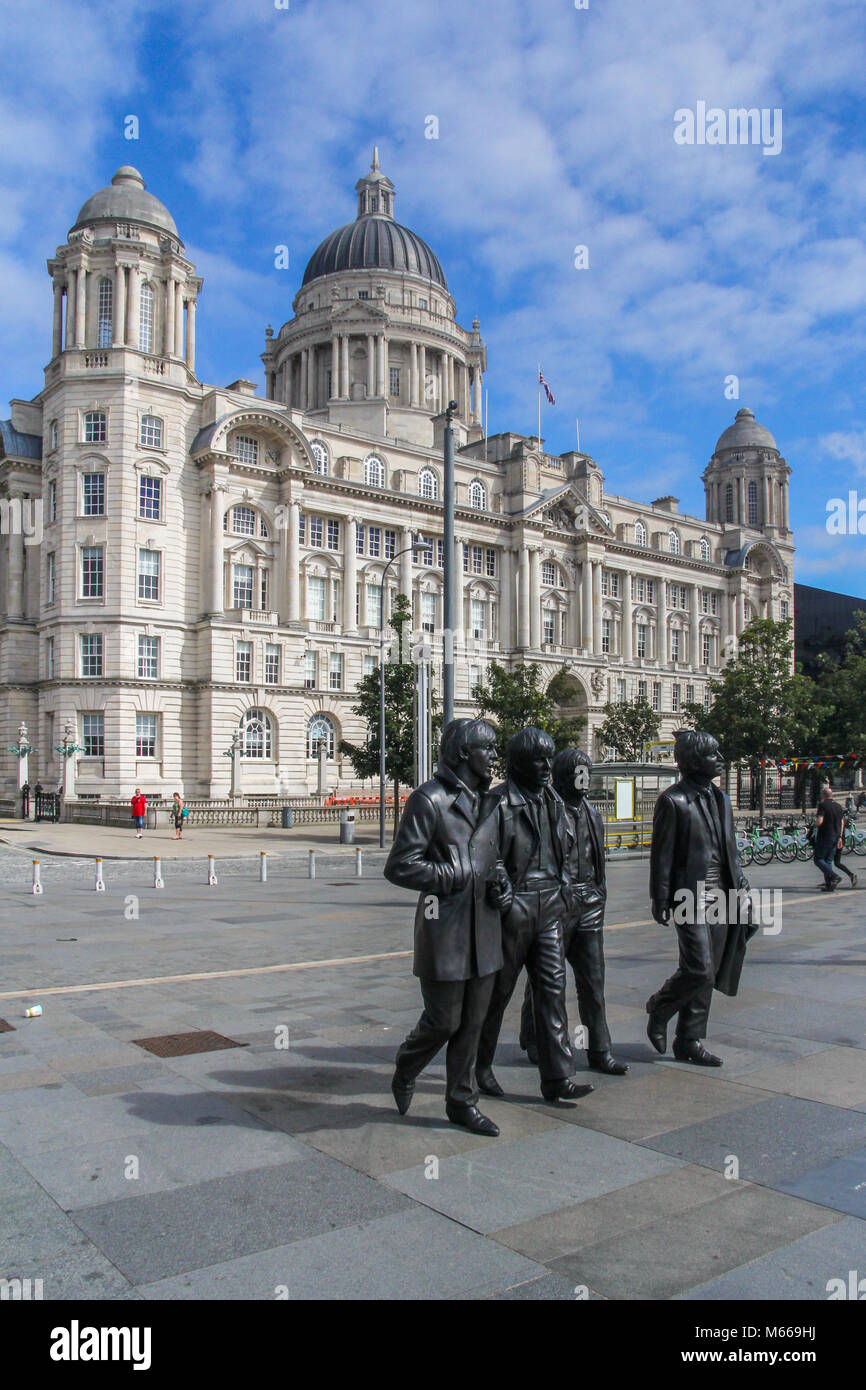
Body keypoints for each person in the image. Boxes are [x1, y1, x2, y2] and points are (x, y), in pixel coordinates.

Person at [384, 718, 512, 1137]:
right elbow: (400, 866)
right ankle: (407, 1064)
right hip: (445, 927)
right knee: (443, 1020)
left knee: (473, 1022)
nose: (494, 756)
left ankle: (462, 1102)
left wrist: (502, 882)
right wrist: (449, 874)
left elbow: (495, 861)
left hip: (486, 927)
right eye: (487, 748)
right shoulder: (429, 800)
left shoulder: (490, 803)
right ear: (462, 753)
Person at [476, 727, 593, 1104]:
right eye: (538, 760)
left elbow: (566, 852)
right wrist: (504, 893)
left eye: (549, 758)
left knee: (553, 991)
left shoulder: (554, 802)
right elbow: (483, 854)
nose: (546, 767)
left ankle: (558, 1077)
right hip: (514, 910)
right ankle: (478, 1067)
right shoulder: (497, 803)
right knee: (497, 995)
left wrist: (564, 890)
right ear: (518, 764)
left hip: (550, 909)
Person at [645, 730, 753, 1067]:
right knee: (699, 968)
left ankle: (689, 1039)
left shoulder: (721, 799)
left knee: (713, 968)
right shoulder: (673, 801)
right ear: (693, 761)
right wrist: (660, 897)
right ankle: (660, 1007)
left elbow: (728, 847)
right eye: (712, 754)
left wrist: (740, 882)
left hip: (723, 890)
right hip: (690, 892)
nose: (719, 759)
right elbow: (661, 855)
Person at [519, 748, 628, 1076]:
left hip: (590, 904)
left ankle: (600, 1049)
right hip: (557, 905)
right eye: (577, 774)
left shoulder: (593, 814)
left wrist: (598, 894)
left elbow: (597, 860)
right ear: (563, 776)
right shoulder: (547, 811)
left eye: (586, 773)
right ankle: (535, 1036)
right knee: (548, 981)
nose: (583, 780)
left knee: (593, 981)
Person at [814, 785, 845, 891]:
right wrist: (840, 837)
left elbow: (819, 821)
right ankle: (830, 884)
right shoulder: (838, 806)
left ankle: (834, 876)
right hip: (836, 836)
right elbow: (842, 822)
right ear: (832, 795)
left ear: (823, 795)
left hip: (825, 836)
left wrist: (814, 825)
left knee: (818, 859)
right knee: (828, 860)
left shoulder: (823, 805)